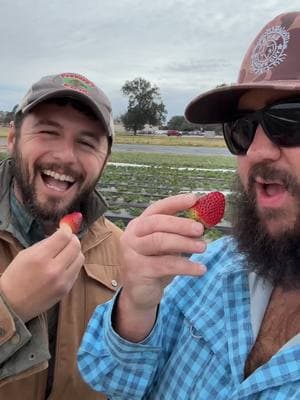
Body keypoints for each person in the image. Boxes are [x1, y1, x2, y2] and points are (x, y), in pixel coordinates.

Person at [78, 11, 300, 399]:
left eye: (291, 120)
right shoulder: (210, 267)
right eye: (243, 128)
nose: (259, 150)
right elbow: (113, 381)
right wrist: (137, 306)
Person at [0, 72, 122, 399]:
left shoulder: (122, 252)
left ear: (105, 160)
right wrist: (8, 307)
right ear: (13, 138)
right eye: (47, 132)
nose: (66, 156)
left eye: (86, 142)